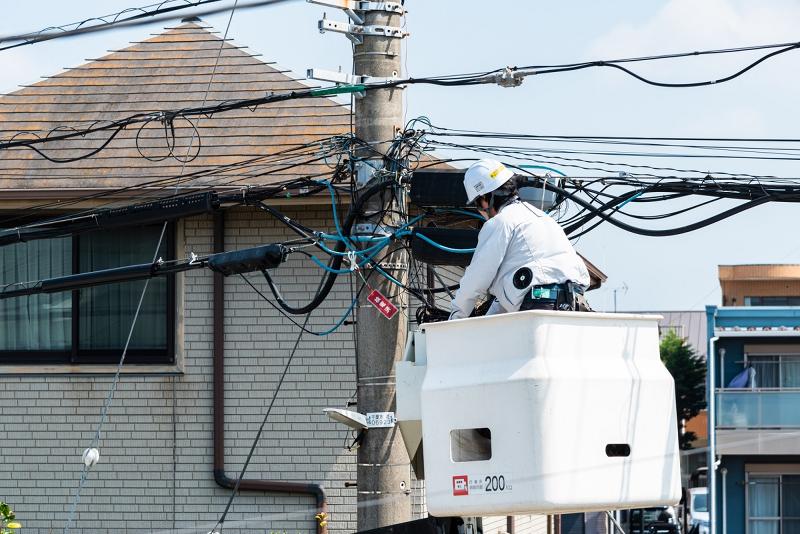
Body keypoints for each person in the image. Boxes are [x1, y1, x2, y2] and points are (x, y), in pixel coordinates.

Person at [449, 158, 590, 320]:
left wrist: (454, 320)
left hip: (541, 306)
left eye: (477, 205)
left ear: (485, 198)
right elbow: (511, 298)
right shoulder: (542, 219)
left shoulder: (500, 222)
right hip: (575, 307)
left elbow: (476, 280)